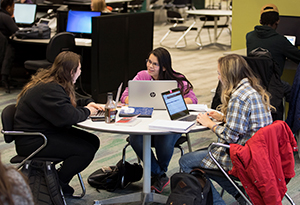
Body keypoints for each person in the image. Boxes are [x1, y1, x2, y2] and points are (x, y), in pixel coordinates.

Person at [179, 54, 273, 204]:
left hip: (242, 157)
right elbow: (246, 123)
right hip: (259, 155)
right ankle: (241, 196)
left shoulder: (238, 97)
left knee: (186, 161)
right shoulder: (252, 90)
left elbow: (230, 137)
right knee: (206, 160)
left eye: (219, 73)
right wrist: (223, 118)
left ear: (229, 75)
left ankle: (217, 202)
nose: (218, 78)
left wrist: (210, 124)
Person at [14, 51, 103, 196]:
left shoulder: (54, 81)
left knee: (92, 141)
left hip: (45, 131)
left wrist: (90, 103)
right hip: (33, 140)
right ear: (71, 71)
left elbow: (70, 104)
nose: (80, 73)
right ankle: (57, 185)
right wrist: (88, 111)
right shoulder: (50, 89)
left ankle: (56, 178)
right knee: (84, 151)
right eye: (79, 69)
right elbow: (69, 117)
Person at [120, 47, 198, 193]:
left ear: (163, 66)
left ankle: (158, 173)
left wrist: (175, 101)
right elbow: (124, 96)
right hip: (146, 122)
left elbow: (192, 99)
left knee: (165, 138)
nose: (150, 66)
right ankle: (159, 174)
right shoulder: (142, 76)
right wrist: (136, 99)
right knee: (134, 139)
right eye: (149, 61)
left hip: (171, 122)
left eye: (154, 64)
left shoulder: (177, 79)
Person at [246, 3, 300, 102]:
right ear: (278, 21)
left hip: (253, 84)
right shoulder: (280, 40)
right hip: (272, 85)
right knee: (294, 94)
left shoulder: (249, 37)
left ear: (260, 21)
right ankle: (292, 116)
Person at [0, 0, 19, 88]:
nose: (14, 9)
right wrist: (12, 17)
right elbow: (16, 31)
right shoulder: (5, 17)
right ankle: (5, 77)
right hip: (4, 46)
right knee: (12, 48)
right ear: (8, 8)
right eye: (13, 7)